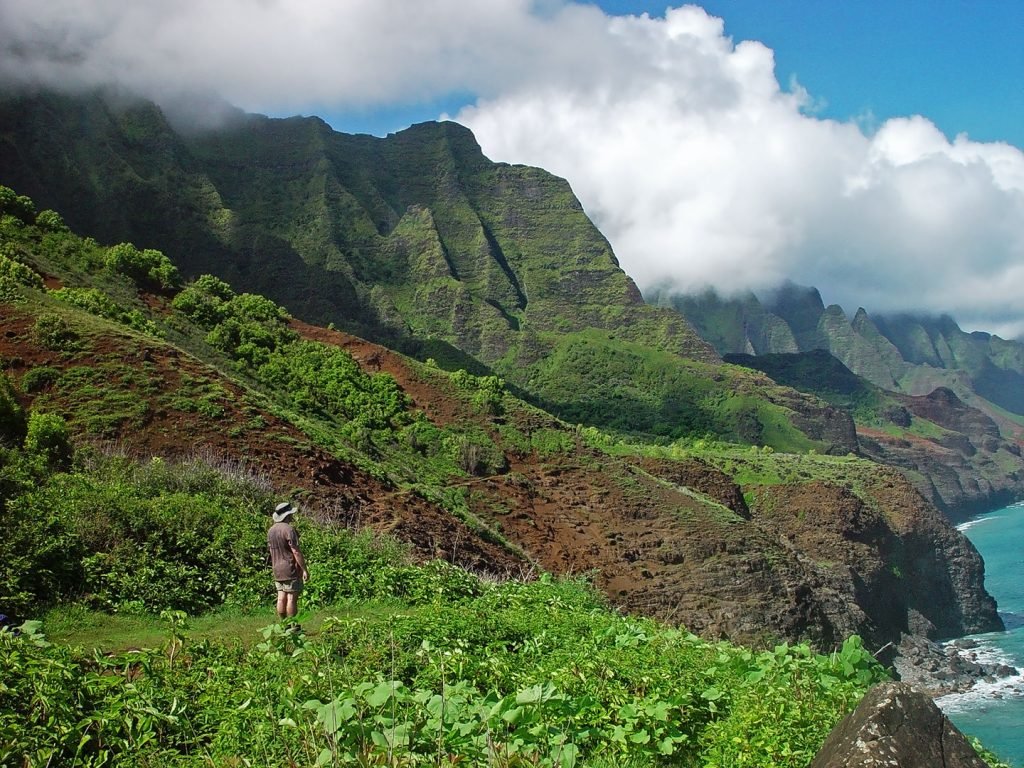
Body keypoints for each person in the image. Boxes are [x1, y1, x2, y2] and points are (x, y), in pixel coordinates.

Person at [267, 501, 310, 621]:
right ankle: (292, 625)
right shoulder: (289, 530)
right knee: (291, 598)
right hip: (289, 567)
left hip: (277, 568)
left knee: (281, 597)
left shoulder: (271, 531)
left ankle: (283, 623)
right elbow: (296, 551)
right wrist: (304, 569)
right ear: (287, 515)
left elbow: (271, 551)